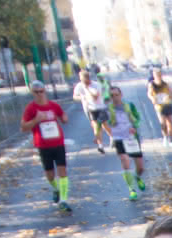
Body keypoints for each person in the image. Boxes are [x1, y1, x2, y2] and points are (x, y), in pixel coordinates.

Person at [21, 80, 71, 211]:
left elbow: (63, 116)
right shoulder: (31, 108)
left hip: (58, 142)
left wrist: (64, 118)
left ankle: (63, 200)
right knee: (50, 174)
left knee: (63, 171)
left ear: (45, 91)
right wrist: (36, 120)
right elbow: (23, 127)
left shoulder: (53, 106)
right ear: (32, 93)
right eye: (36, 92)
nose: (39, 94)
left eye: (41, 91)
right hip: (43, 145)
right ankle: (56, 189)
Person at [105, 86, 147, 200]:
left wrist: (134, 126)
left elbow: (137, 118)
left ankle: (137, 177)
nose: (114, 97)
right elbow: (101, 122)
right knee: (125, 161)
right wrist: (106, 133)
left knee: (140, 167)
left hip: (132, 138)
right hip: (119, 139)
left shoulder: (129, 105)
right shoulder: (107, 109)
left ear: (121, 95)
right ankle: (131, 190)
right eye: (112, 96)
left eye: (116, 95)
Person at [73, 68, 109, 153]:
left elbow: (95, 97)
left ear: (89, 78)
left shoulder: (96, 85)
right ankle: (100, 145)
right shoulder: (79, 86)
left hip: (100, 107)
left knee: (104, 125)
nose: (84, 83)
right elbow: (75, 96)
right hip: (89, 109)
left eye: (85, 81)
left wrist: (87, 89)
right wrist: (81, 97)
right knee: (96, 126)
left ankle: (112, 137)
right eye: (82, 81)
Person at [148, 69, 172, 144]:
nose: (158, 76)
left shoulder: (165, 84)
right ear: (154, 75)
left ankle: (171, 138)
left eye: (159, 74)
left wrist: (171, 95)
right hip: (159, 106)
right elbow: (149, 94)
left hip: (167, 104)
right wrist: (152, 99)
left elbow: (171, 92)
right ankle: (165, 137)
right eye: (156, 75)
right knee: (163, 122)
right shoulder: (152, 84)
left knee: (170, 122)